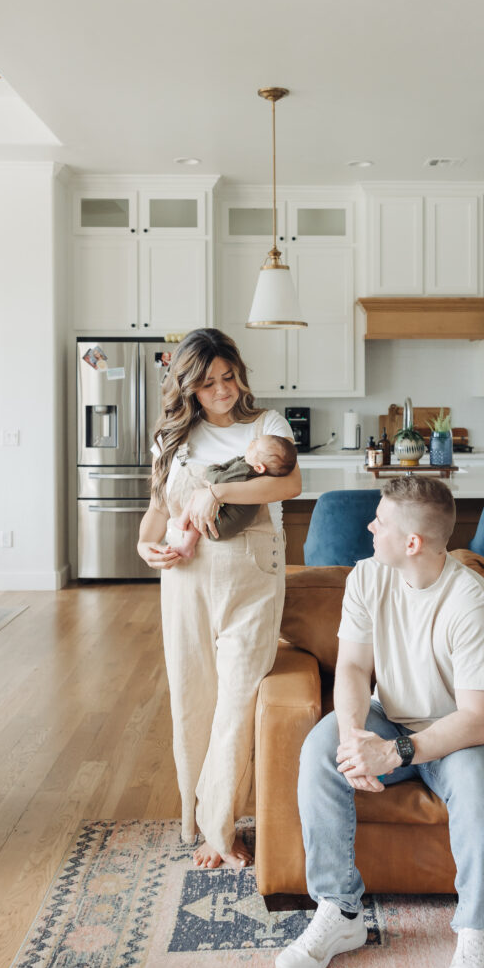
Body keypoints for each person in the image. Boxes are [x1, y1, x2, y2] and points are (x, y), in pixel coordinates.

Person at [275, 476, 484, 968]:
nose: (370, 526)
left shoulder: (471, 605)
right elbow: (355, 668)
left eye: (380, 521)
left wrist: (395, 752)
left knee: (476, 792)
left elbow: (479, 717)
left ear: (412, 542)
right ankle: (340, 912)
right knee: (320, 752)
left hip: (459, 731)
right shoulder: (368, 576)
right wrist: (354, 738)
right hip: (392, 714)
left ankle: (477, 930)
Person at [137, 328, 301, 870]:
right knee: (193, 699)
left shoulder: (267, 426)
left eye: (228, 377)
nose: (223, 390)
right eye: (208, 384)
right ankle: (196, 817)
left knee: (236, 700)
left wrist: (220, 489)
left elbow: (288, 486)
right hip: (185, 578)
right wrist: (144, 544)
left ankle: (219, 827)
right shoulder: (171, 440)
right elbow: (159, 511)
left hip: (252, 576)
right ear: (188, 389)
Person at [166, 434, 298, 558]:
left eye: (255, 447)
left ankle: (185, 538)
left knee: (196, 500)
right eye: (256, 440)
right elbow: (232, 464)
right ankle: (186, 536)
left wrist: (211, 468)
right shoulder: (255, 469)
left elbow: (217, 480)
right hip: (229, 521)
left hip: (221, 526)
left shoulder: (245, 471)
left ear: (259, 468)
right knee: (199, 501)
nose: (252, 443)